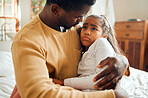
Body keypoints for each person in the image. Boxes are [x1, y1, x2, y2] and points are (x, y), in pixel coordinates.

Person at [11, 0, 129, 98]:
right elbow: (38, 94)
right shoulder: (26, 40)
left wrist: (123, 61)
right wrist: (111, 96)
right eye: (78, 16)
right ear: (56, 10)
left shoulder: (74, 29)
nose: (81, 21)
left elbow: (100, 48)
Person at [63, 15, 128, 92]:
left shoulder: (101, 42)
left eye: (94, 28)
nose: (87, 32)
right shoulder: (85, 51)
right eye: (84, 27)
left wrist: (64, 82)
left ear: (104, 36)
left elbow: (101, 80)